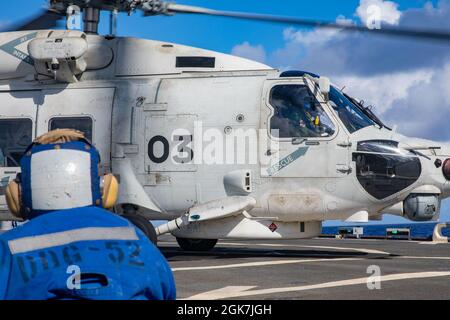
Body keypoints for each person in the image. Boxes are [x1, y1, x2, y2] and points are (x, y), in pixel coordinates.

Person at [0, 129, 176, 300]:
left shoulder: (9, 250)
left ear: (18, 194)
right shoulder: (138, 241)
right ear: (104, 188)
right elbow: (166, 291)